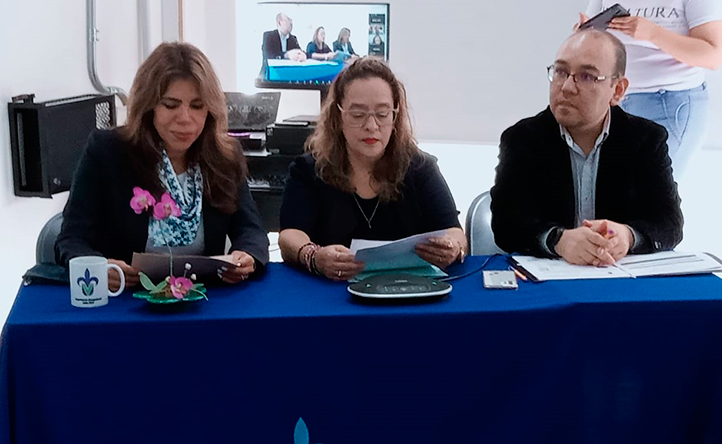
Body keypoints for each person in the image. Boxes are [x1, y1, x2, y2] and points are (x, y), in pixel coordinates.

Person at [56, 42, 270, 291]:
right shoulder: (107, 152)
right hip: (124, 300)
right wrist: (98, 266)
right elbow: (71, 240)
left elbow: (251, 231)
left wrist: (246, 256)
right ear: (149, 107)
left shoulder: (225, 155)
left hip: (200, 300)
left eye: (197, 106)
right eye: (171, 105)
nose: (185, 118)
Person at [490, 29, 683, 266]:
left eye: (587, 76)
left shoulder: (645, 139)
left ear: (618, 90)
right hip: (550, 280)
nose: (567, 87)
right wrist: (558, 240)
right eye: (561, 72)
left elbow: (669, 222)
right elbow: (505, 223)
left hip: (619, 276)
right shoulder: (523, 138)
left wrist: (628, 236)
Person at [278, 57, 467, 281]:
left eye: (382, 114)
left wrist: (452, 247)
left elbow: (454, 231)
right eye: (358, 115)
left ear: (395, 116)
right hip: (331, 291)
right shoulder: (310, 169)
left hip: (409, 291)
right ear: (338, 116)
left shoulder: (420, 168)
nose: (371, 126)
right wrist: (314, 255)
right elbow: (290, 235)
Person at [580, 1, 722, 178]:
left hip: (668, 103)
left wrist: (653, 34)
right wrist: (584, 37)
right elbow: (593, 37)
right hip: (613, 103)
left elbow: (712, 55)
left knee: (652, 194)